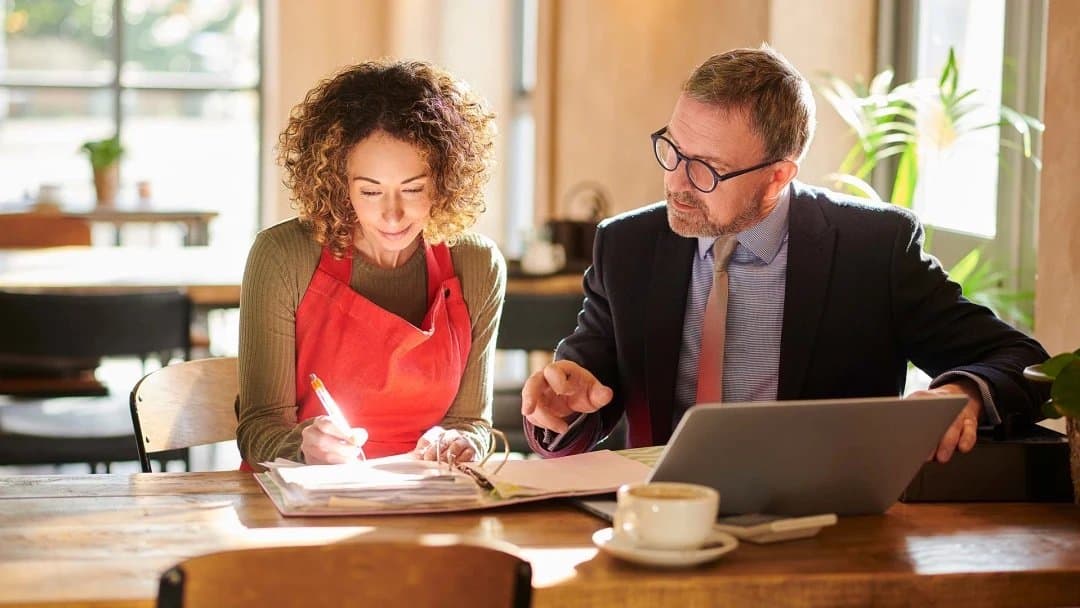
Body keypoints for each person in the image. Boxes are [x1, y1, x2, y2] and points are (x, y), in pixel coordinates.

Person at [522, 45, 1049, 462]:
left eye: (705, 168)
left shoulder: (871, 250)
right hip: (663, 523)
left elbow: (1023, 363)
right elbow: (583, 387)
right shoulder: (628, 246)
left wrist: (965, 392)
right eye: (672, 150)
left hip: (827, 527)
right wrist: (560, 406)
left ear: (778, 176)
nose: (676, 183)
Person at [237, 59, 504, 471]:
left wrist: (461, 441)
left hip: (430, 499)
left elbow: (472, 422)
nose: (392, 215)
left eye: (413, 189)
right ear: (339, 185)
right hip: (307, 502)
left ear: (445, 181)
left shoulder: (476, 265)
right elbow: (257, 429)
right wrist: (302, 445)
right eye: (371, 191)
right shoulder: (282, 256)